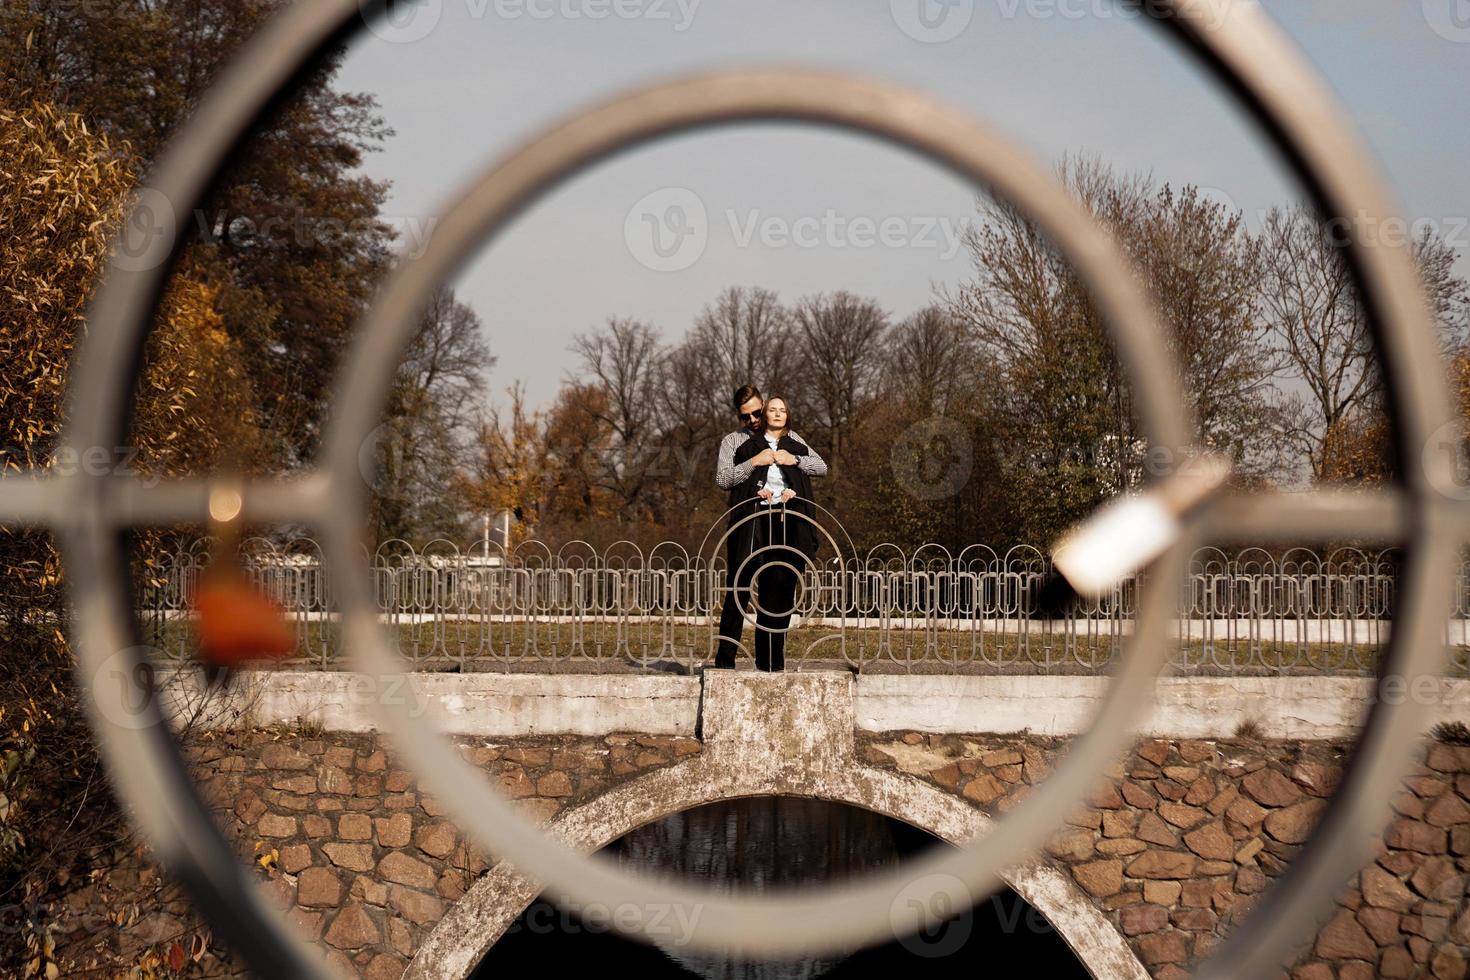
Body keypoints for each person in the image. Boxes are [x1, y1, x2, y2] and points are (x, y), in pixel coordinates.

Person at [713, 387, 826, 670]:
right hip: (749, 521)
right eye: (745, 416)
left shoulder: (791, 439)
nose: (751, 419)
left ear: (763, 408)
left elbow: (820, 466)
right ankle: (725, 662)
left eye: (755, 412)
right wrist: (754, 462)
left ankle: (771, 662)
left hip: (784, 521)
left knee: (778, 590)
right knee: (738, 589)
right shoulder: (735, 441)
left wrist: (795, 460)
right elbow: (723, 478)